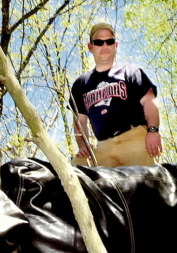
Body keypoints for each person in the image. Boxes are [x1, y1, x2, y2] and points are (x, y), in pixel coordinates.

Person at [69, 22, 162, 168]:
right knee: (73, 172)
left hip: (134, 139)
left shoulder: (131, 71)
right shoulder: (81, 84)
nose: (105, 46)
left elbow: (149, 102)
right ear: (90, 47)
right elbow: (79, 120)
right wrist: (83, 145)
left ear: (115, 45)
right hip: (103, 147)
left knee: (144, 185)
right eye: (99, 42)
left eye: (109, 41)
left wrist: (153, 131)